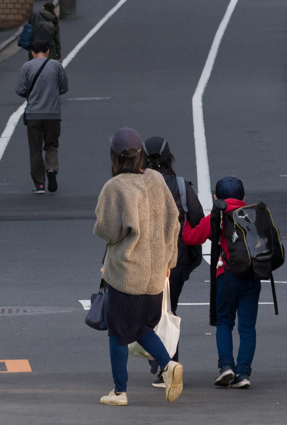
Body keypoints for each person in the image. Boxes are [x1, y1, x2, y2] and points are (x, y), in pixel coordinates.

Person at [94, 127, 183, 406]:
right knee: (142, 327)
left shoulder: (115, 187)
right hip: (155, 274)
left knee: (118, 332)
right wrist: (170, 260)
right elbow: (174, 220)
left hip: (127, 272)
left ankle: (119, 391)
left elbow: (108, 230)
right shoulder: (156, 179)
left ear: (115, 157)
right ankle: (168, 365)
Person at [181, 176, 259, 389]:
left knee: (224, 321)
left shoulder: (217, 217)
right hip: (252, 275)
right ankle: (243, 372)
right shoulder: (253, 215)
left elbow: (190, 238)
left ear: (216, 197)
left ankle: (226, 366)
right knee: (247, 326)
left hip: (226, 275)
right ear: (243, 197)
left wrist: (185, 222)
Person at [142, 137, 205, 388]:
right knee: (169, 309)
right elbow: (197, 216)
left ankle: (165, 365)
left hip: (146, 258)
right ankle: (167, 366)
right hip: (177, 258)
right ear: (170, 158)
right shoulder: (180, 185)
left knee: (151, 311)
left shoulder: (138, 184)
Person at [15, 40, 68, 194]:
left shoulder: (26, 67)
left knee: (35, 149)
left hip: (33, 114)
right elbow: (64, 87)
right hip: (52, 114)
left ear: (32, 52)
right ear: (48, 51)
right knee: (52, 145)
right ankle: (51, 169)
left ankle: (39, 184)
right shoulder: (56, 66)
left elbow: (20, 89)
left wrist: (31, 94)